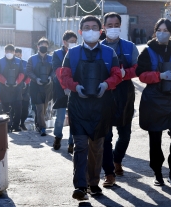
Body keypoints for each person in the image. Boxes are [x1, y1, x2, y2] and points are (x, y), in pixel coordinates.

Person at [57, 15, 122, 200]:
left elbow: (117, 75)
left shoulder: (110, 53)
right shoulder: (73, 53)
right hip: (78, 106)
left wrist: (106, 85)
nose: (91, 30)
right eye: (87, 27)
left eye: (94, 27)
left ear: (101, 31)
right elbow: (64, 76)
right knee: (80, 147)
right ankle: (80, 186)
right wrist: (75, 87)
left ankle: (93, 183)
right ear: (81, 31)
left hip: (101, 107)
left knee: (97, 147)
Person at [136, 18, 171, 186]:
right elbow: (141, 75)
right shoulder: (147, 52)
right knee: (155, 138)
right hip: (154, 100)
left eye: (166, 30)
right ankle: (157, 172)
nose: (162, 33)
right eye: (159, 29)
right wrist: (159, 76)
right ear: (155, 32)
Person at [100, 12, 139, 187]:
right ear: (104, 27)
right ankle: (109, 173)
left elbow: (139, 68)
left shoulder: (130, 47)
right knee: (105, 136)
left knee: (125, 135)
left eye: (116, 24)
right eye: (109, 25)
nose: (113, 28)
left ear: (120, 26)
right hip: (105, 94)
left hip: (125, 94)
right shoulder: (98, 48)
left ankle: (117, 160)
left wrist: (126, 74)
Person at [52, 30, 77, 153]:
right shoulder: (57, 54)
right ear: (64, 42)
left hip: (74, 89)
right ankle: (58, 136)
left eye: (75, 42)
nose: (73, 44)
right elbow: (58, 72)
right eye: (71, 42)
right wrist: (65, 87)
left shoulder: (78, 52)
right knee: (60, 117)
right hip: (61, 90)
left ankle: (71, 142)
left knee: (74, 118)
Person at [27, 37, 53, 136]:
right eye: (42, 46)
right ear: (38, 46)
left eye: (46, 46)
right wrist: (36, 79)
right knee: (40, 108)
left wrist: (51, 77)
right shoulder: (32, 59)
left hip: (47, 88)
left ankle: (38, 124)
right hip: (36, 87)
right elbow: (28, 71)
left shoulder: (51, 58)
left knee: (44, 108)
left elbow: (55, 70)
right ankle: (42, 128)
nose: (44, 48)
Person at [0, 44, 24, 132]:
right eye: (7, 51)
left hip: (16, 88)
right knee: (6, 109)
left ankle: (16, 125)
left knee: (18, 108)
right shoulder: (0, 62)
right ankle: (7, 126)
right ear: (5, 52)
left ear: (14, 52)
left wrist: (17, 82)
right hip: (4, 89)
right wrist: (5, 81)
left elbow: (22, 73)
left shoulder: (19, 61)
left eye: (11, 51)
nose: (9, 53)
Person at [15, 48, 30, 130]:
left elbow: (29, 75)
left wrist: (25, 82)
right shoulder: (12, 63)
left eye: (18, 54)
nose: (17, 56)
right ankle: (15, 125)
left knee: (25, 108)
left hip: (25, 89)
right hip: (15, 90)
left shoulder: (25, 63)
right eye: (15, 54)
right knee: (16, 108)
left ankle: (22, 123)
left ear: (21, 55)